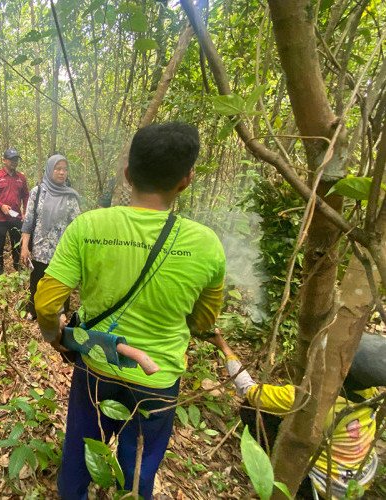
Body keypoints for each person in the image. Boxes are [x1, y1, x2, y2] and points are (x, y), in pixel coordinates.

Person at [35, 122, 226, 499]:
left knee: (81, 450)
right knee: (139, 461)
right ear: (185, 180)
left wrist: (55, 337)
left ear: (127, 174)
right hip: (158, 379)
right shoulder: (207, 244)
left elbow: (45, 302)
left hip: (95, 363)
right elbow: (204, 321)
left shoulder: (88, 225)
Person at [208, 329, 384, 500]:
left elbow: (249, 391)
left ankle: (280, 470)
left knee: (250, 409)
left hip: (326, 486)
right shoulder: (367, 394)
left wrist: (224, 347)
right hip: (360, 477)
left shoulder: (311, 399)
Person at [20, 154, 80, 320]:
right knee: (37, 281)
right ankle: (33, 310)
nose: (62, 173)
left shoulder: (70, 196)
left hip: (63, 250)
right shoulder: (37, 192)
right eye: (58, 169)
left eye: (65, 169)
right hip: (40, 248)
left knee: (61, 282)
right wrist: (25, 247)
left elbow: (76, 225)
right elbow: (29, 221)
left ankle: (60, 312)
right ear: (49, 169)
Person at [0, 147, 29, 275]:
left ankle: (16, 266)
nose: (14, 162)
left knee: (17, 243)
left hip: (16, 217)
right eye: (11, 159)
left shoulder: (21, 178)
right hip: (0, 218)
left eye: (16, 159)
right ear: (4, 160)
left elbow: (26, 195)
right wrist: (0, 205)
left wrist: (25, 212)